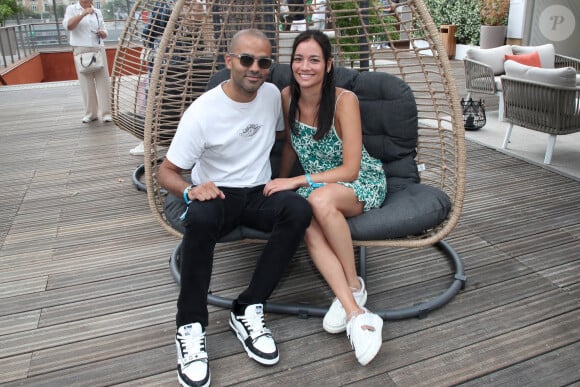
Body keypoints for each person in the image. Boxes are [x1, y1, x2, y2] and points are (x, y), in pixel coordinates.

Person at [157, 29, 312, 387]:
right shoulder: (202, 112)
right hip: (219, 194)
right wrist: (191, 190)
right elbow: (166, 171)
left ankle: (248, 307)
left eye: (264, 62)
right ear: (229, 62)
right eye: (246, 59)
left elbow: (277, 136)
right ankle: (190, 326)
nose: (255, 68)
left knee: (298, 211)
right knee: (200, 216)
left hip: (258, 192)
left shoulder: (272, 94)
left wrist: (285, 179)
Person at [264, 30, 386, 366]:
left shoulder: (345, 101)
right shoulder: (287, 96)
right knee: (304, 217)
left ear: (328, 65)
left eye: (314, 59)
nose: (305, 66)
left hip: (359, 181)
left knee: (317, 202)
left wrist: (296, 180)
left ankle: (353, 283)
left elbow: (349, 169)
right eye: (299, 59)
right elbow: (290, 144)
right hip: (315, 186)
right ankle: (355, 311)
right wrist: (280, 181)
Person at [63, 0, 112, 124]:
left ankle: (107, 113)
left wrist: (103, 33)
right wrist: (83, 14)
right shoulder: (72, 9)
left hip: (98, 48)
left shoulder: (97, 12)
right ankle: (91, 114)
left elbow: (105, 31)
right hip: (81, 49)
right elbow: (69, 26)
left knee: (103, 82)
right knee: (86, 83)